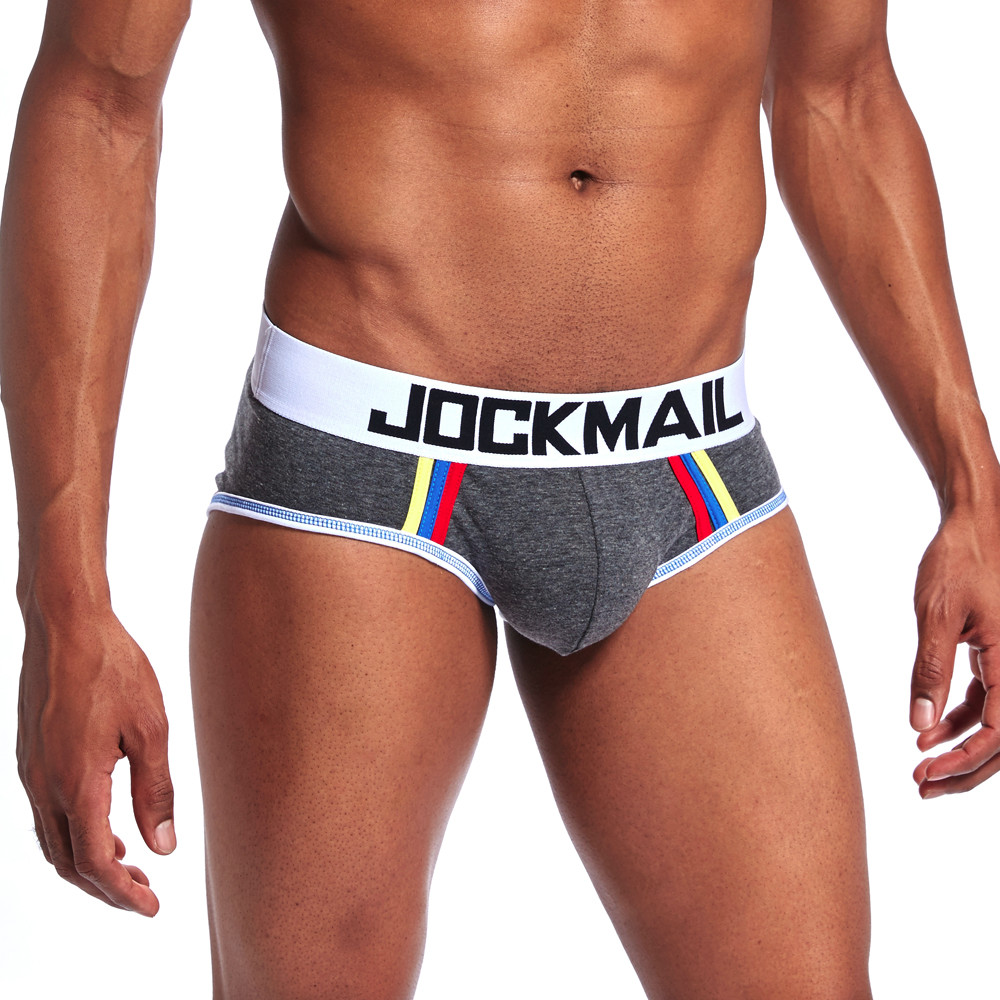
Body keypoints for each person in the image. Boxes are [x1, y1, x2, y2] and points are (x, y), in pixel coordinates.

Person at [2, 1, 998, 998]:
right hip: (371, 459)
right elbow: (99, 103)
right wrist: (63, 602)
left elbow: (842, 93)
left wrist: (973, 493)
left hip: (690, 455)